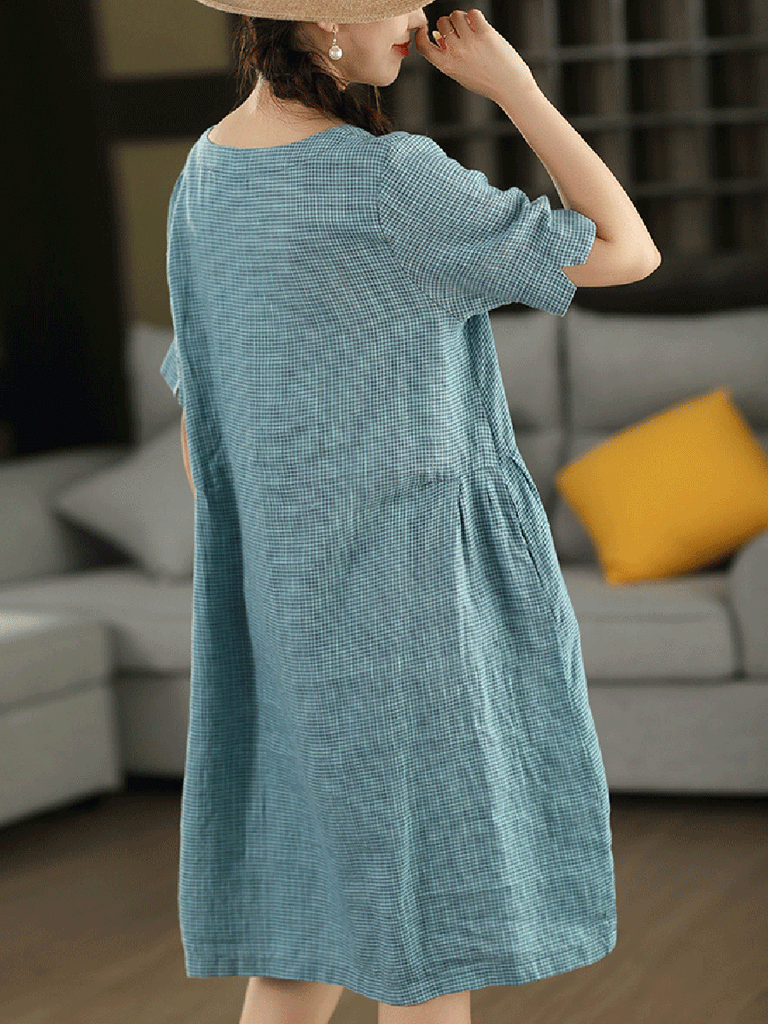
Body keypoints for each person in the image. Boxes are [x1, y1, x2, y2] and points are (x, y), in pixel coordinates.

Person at [161, 4, 661, 1024]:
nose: (419, 16)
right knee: (432, 932)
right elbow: (626, 248)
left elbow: (200, 414)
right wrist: (515, 87)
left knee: (298, 926)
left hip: (281, 604)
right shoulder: (389, 180)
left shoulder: (206, 173)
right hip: (412, 596)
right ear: (328, 15)